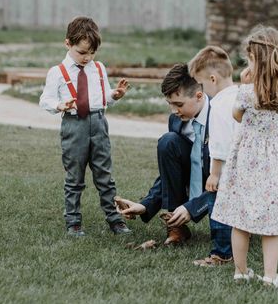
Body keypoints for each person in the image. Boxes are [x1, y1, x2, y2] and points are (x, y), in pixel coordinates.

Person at [212, 25, 278, 288]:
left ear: (255, 61)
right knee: (271, 221)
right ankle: (270, 276)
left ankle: (241, 272)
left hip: (248, 159)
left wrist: (247, 84)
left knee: (241, 217)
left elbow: (237, 116)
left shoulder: (246, 93)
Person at [39, 16, 131, 237]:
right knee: (75, 177)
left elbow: (102, 95)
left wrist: (114, 95)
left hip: (98, 124)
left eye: (92, 53)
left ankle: (114, 219)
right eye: (82, 53)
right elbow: (45, 100)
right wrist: (60, 104)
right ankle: (73, 222)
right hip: (74, 125)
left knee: (105, 175)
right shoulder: (57, 72)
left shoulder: (98, 68)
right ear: (68, 44)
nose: (87, 58)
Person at [115, 64, 212, 245]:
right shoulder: (176, 119)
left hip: (222, 180)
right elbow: (170, 171)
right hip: (196, 172)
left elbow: (230, 177)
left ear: (198, 96)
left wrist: (193, 208)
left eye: (178, 104)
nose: (173, 111)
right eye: (170, 104)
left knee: (224, 233)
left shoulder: (221, 114)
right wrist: (145, 205)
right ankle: (176, 226)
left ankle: (238, 225)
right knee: (168, 142)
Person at [187, 46, 239, 267]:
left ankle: (221, 253)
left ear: (213, 78)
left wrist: (214, 174)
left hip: (225, 168)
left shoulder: (218, 105)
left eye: (202, 84)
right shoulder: (241, 96)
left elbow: (219, 143)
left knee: (218, 209)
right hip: (243, 165)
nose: (203, 91)